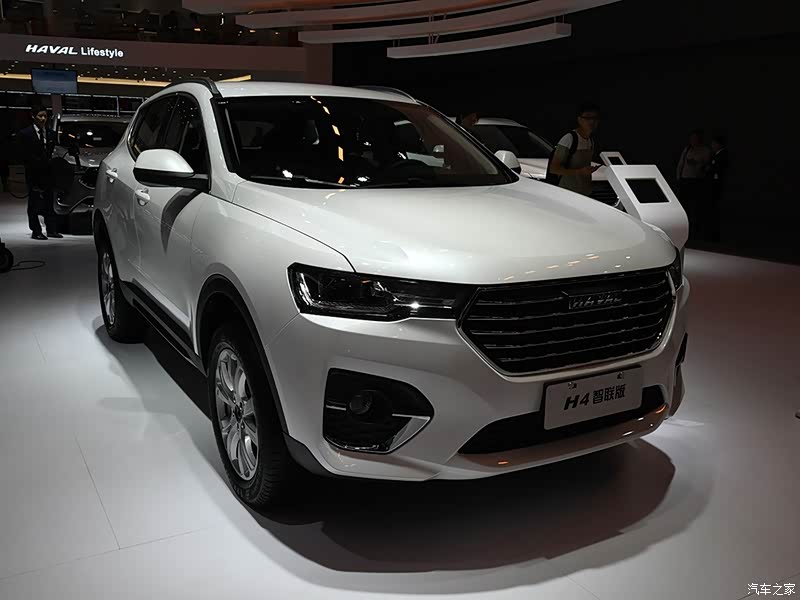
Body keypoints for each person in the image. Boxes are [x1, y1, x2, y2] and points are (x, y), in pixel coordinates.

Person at [18, 105, 60, 240]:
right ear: (33, 116)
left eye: (45, 116)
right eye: (40, 116)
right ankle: (36, 231)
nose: (43, 119)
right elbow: (23, 155)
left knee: (49, 202)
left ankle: (51, 230)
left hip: (48, 173)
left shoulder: (51, 133)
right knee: (34, 203)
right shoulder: (25, 134)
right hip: (33, 173)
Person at [547, 102, 602, 197]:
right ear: (579, 119)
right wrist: (580, 172)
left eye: (595, 118)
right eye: (588, 118)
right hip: (568, 193)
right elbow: (554, 169)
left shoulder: (590, 140)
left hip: (584, 193)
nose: (592, 121)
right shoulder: (569, 139)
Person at [676, 129, 712, 242]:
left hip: (696, 181)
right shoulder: (687, 149)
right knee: (684, 204)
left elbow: (707, 165)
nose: (693, 140)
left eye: (695, 138)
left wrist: (697, 164)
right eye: (692, 138)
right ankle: (683, 227)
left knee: (695, 206)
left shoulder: (705, 151)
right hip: (685, 180)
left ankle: (695, 230)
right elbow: (681, 163)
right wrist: (678, 176)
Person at [706, 133, 728, 243]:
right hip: (713, 186)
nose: (712, 145)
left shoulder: (722, 156)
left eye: (713, 143)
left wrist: (710, 169)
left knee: (715, 209)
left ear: (718, 144)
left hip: (716, 187)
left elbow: (717, 169)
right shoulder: (715, 155)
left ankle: (715, 234)